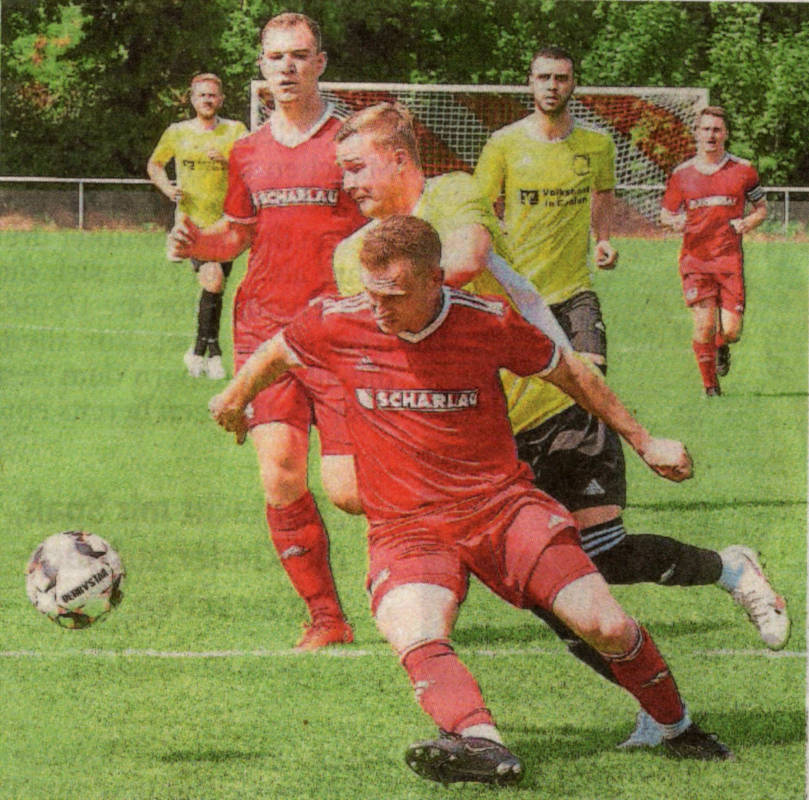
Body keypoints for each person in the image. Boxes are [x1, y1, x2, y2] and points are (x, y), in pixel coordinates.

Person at [210, 215, 735, 786]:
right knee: (413, 630)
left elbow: (571, 376)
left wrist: (643, 440)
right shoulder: (339, 320)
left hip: (503, 510)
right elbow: (278, 349)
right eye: (370, 291)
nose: (378, 308)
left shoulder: (486, 322)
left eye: (395, 295)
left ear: (437, 279)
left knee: (605, 625)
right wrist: (233, 399)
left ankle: (678, 728)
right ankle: (482, 746)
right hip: (406, 526)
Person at [331, 102, 790, 748]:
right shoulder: (354, 253)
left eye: (356, 168)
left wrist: (416, 288)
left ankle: (730, 571)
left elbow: (467, 253)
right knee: (558, 606)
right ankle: (659, 715)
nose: (347, 184)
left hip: (553, 410)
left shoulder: (453, 194)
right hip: (480, 449)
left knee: (603, 557)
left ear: (398, 160)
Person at [168, 13, 366, 650]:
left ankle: (429, 562)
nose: (286, 67)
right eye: (275, 57)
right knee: (281, 475)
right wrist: (201, 240)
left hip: (340, 333)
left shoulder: (348, 142)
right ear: (261, 67)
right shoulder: (245, 151)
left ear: (321, 63)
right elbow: (239, 235)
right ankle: (327, 618)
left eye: (299, 56)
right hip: (264, 329)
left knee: (352, 493)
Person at [474, 45, 618, 374]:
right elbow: (479, 207)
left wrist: (603, 239)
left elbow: (604, 192)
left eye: (561, 78)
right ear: (531, 83)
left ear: (573, 84)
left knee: (593, 376)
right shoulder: (503, 143)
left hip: (574, 289)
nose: (552, 86)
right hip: (519, 291)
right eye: (544, 77)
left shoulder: (598, 143)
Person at [660, 105, 767, 396]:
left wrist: (748, 222)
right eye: (705, 129)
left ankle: (721, 346)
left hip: (729, 261)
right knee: (703, 325)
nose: (711, 135)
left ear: (726, 134)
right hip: (695, 262)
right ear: (696, 133)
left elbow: (761, 209)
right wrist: (675, 221)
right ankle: (710, 388)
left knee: (731, 331)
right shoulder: (682, 175)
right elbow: (665, 215)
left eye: (717, 130)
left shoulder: (743, 170)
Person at [147, 73, 247, 379]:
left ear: (221, 99)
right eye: (202, 95)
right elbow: (155, 164)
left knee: (216, 287)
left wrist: (229, 160)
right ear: (192, 100)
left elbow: (255, 166)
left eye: (212, 95)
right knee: (213, 279)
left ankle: (198, 351)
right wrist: (167, 189)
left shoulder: (235, 131)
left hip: (227, 222)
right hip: (194, 225)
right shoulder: (178, 132)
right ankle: (213, 354)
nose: (207, 100)